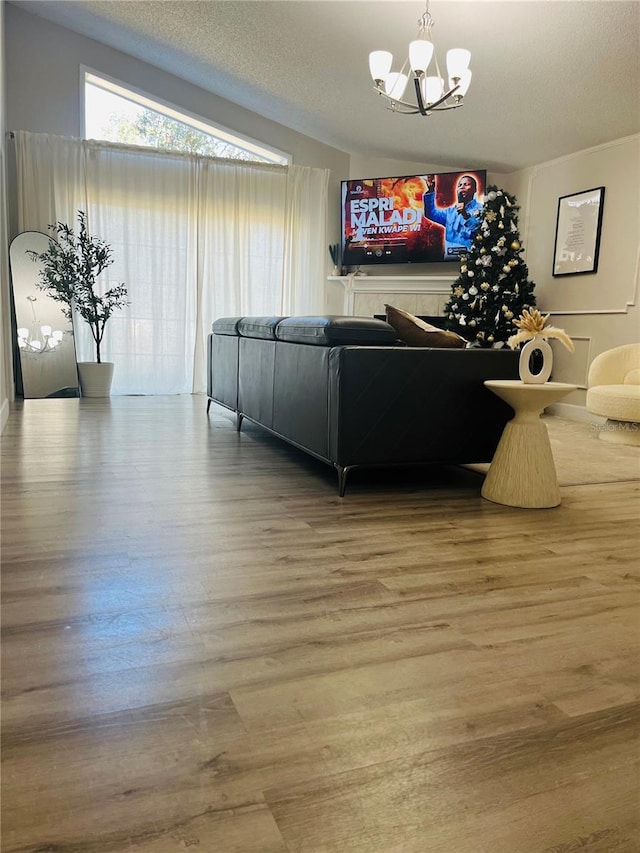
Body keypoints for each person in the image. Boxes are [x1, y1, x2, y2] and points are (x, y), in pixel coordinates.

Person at [423, 174, 482, 258]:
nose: (462, 187)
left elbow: (479, 231)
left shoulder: (481, 209)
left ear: (475, 189)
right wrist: (431, 190)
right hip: (449, 261)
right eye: (460, 185)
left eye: (466, 184)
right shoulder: (450, 211)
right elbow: (431, 214)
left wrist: (465, 215)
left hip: (471, 262)